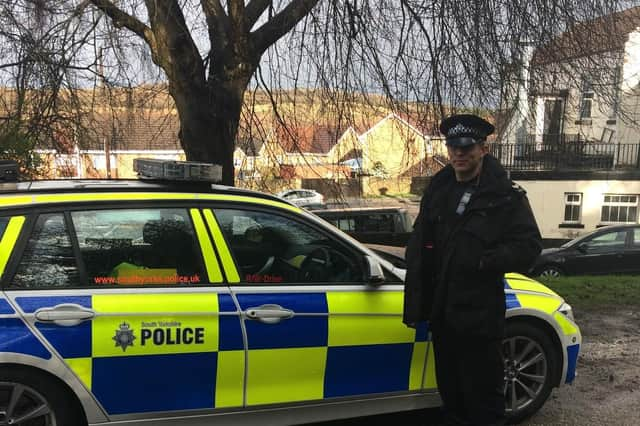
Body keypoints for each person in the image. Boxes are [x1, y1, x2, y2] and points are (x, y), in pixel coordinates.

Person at [403, 114, 542, 425]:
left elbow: (530, 247)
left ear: (483, 149)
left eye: (467, 147)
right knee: (452, 399)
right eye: (453, 146)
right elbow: (422, 242)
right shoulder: (438, 192)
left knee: (484, 403)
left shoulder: (505, 197)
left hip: (479, 321)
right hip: (442, 316)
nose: (459, 154)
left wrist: (484, 260)